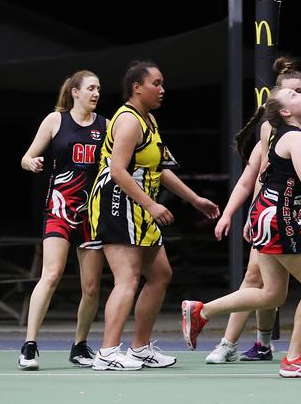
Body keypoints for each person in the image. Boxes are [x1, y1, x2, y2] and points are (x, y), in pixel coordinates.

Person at [182, 86, 301, 378]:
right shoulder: (296, 137)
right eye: (293, 96)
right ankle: (294, 358)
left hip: (264, 214)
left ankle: (201, 311)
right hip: (277, 218)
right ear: (285, 112)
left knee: (271, 294)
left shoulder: (279, 135)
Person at [88, 60, 220, 371]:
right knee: (127, 279)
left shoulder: (149, 122)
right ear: (136, 87)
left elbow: (159, 169)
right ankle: (107, 352)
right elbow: (117, 170)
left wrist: (195, 199)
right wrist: (151, 205)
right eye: (156, 83)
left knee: (160, 275)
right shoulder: (129, 120)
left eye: (162, 84)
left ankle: (140, 348)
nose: (162, 90)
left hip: (139, 204)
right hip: (118, 203)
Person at [19, 70, 107, 370]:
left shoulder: (106, 126)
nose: (96, 93)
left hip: (91, 215)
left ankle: (80, 345)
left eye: (98, 89)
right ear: (75, 92)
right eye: (91, 88)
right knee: (52, 274)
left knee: (92, 287)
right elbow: (26, 157)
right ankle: (29, 345)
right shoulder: (55, 121)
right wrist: (31, 162)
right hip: (59, 207)